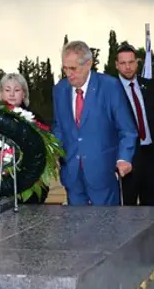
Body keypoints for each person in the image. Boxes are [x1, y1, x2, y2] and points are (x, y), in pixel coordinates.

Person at [52, 40, 138, 206]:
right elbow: (59, 126)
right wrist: (55, 150)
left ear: (88, 64)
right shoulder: (59, 90)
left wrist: (124, 158)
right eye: (65, 68)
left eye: (73, 68)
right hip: (71, 172)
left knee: (106, 221)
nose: (68, 74)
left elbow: (127, 129)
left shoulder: (110, 86)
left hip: (103, 171)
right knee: (76, 221)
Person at [114, 44, 154, 206]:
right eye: (123, 63)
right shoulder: (111, 89)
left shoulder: (150, 86)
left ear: (137, 63)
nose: (128, 67)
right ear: (117, 65)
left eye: (131, 62)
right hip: (128, 156)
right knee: (128, 205)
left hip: (153, 154)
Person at [0, 72, 49, 204]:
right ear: (1, 93)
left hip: (30, 184)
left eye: (17, 90)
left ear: (24, 93)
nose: (12, 94)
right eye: (7, 90)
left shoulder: (35, 119)